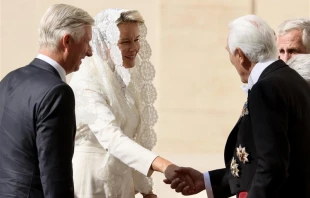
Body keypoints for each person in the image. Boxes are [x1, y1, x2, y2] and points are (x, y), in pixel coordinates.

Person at [165, 15, 310, 198]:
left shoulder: (266, 88)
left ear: (240, 55)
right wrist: (208, 180)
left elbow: (272, 167)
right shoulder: (290, 79)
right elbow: (257, 158)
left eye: (230, 52)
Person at [69, 8, 192, 198]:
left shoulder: (125, 82)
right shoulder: (85, 82)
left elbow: (131, 140)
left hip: (123, 182)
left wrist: (144, 189)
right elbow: (112, 137)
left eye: (136, 40)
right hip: (91, 182)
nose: (134, 47)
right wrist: (164, 165)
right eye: (125, 42)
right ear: (103, 44)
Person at [0, 4, 93, 198]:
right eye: (86, 42)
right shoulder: (58, 92)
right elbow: (56, 177)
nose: (89, 51)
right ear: (67, 41)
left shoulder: (9, 79)